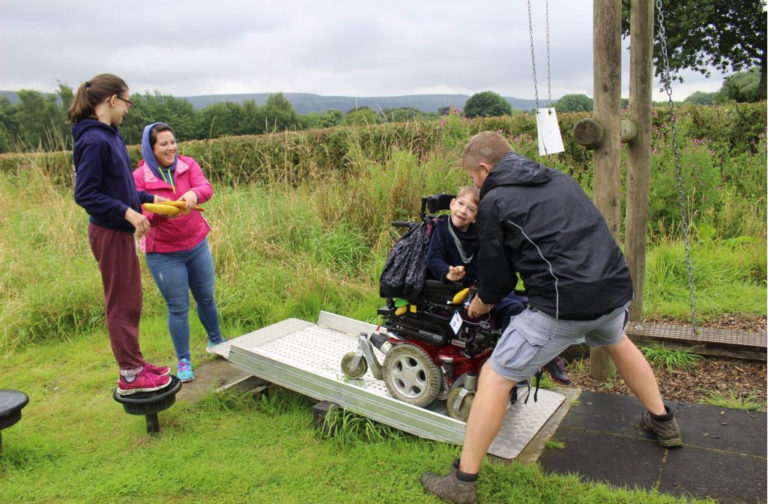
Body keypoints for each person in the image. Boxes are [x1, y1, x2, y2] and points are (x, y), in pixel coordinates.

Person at [421, 132, 682, 504]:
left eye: (474, 177)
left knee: (496, 376)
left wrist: (481, 304)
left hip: (564, 304)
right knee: (616, 340)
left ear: (484, 168)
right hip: (613, 289)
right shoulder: (558, 178)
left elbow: (497, 278)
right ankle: (663, 422)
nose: (477, 186)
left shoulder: (495, 200)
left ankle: (462, 483)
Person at [70, 74, 171, 396]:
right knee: (122, 303)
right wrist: (127, 213)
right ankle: (130, 376)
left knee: (131, 299)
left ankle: (137, 364)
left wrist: (151, 200)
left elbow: (120, 187)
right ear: (112, 100)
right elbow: (85, 194)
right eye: (126, 101)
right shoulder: (94, 140)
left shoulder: (108, 136)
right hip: (109, 231)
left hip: (117, 228)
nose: (128, 109)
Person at [425, 185, 570, 385]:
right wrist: (448, 273)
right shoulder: (441, 228)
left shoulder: (478, 233)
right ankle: (512, 364)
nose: (463, 211)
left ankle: (542, 355)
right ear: (452, 204)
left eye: (470, 209)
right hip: (462, 289)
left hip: (484, 283)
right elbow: (433, 259)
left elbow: (493, 259)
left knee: (534, 304)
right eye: (460, 204)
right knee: (514, 308)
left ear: (476, 217)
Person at [133, 122, 225, 383]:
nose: (171, 147)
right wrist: (167, 210)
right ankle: (184, 359)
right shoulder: (139, 178)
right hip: (163, 253)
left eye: (173, 142)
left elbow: (206, 188)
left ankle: (217, 341)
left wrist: (194, 194)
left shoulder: (187, 165)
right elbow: (140, 212)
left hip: (196, 245)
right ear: (150, 149)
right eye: (164, 144)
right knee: (178, 307)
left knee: (206, 298)